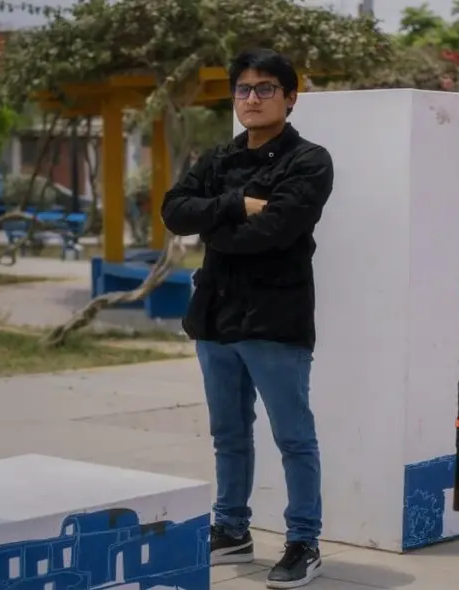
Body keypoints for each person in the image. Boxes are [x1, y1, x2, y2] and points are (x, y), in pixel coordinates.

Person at [161, 48, 333, 589]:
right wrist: (239, 204)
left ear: (290, 98)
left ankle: (304, 541)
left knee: (294, 438)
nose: (252, 98)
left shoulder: (309, 160)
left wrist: (215, 221)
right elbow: (173, 210)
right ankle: (231, 530)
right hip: (215, 317)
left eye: (265, 88)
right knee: (228, 434)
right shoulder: (219, 158)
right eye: (243, 89)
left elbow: (275, 232)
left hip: (274, 320)